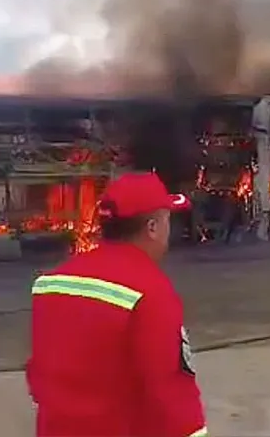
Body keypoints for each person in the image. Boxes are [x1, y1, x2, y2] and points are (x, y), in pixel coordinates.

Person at [26, 172, 208, 437]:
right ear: (153, 227)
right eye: (167, 219)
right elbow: (170, 391)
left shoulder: (51, 282)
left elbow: (39, 374)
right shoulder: (150, 291)